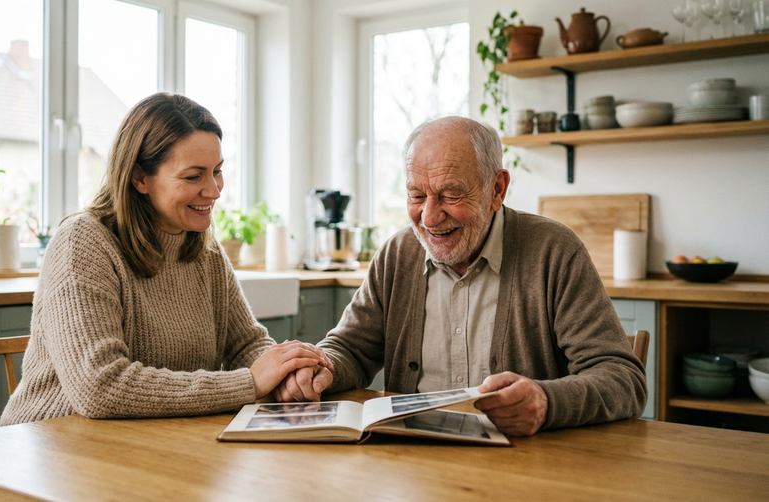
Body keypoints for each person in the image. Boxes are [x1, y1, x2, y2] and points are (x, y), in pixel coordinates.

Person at [274, 116, 645, 436]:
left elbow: (623, 379)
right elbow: (350, 349)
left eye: (451, 195)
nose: (430, 217)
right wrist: (320, 368)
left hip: (524, 467)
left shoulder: (554, 251)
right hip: (412, 464)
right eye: (417, 195)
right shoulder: (396, 254)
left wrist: (547, 401)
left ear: (496, 189)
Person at [1, 93, 330, 425]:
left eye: (217, 171)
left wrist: (287, 374)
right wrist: (250, 382)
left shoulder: (205, 251)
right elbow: (100, 387)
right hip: (50, 447)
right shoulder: (82, 243)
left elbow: (245, 344)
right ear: (139, 178)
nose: (214, 191)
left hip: (146, 442)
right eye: (193, 176)